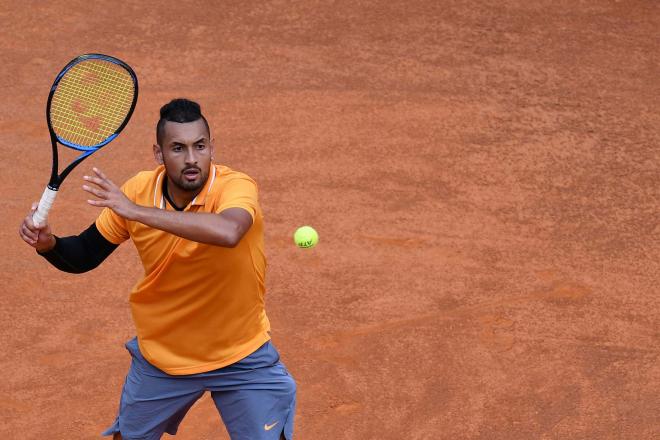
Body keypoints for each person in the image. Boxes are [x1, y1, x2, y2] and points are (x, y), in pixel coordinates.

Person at [18, 98, 296, 440]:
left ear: (212, 148)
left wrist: (136, 212)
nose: (191, 159)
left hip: (241, 353)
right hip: (164, 358)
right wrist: (50, 245)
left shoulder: (235, 186)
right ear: (158, 154)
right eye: (178, 148)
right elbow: (85, 254)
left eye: (200, 146)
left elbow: (230, 231)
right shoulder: (138, 190)